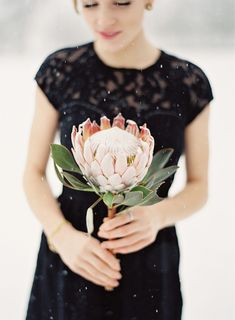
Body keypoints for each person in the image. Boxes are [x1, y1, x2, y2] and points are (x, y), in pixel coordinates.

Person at [23, 0, 214, 319]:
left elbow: (200, 186)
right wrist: (63, 237)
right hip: (70, 260)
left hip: (150, 265)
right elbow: (31, 172)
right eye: (90, 4)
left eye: (122, 2)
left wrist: (156, 217)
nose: (104, 18)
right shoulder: (60, 70)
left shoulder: (188, 83)